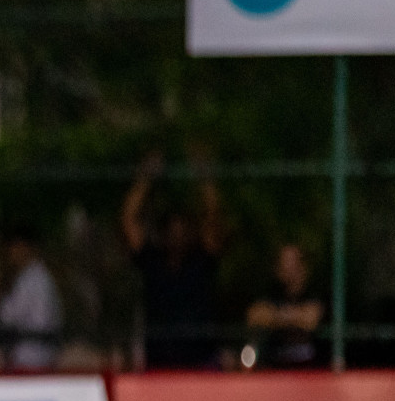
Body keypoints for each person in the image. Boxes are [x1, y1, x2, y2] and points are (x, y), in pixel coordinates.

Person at [120, 151, 225, 369]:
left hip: (201, 360)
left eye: (182, 230)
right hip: (160, 361)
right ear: (163, 234)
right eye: (172, 230)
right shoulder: (152, 261)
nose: (177, 235)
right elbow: (128, 220)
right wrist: (145, 179)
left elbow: (213, 216)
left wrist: (204, 178)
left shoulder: (201, 260)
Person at [0, 226, 63, 371]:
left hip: (30, 356)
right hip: (42, 355)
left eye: (14, 247)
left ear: (24, 247)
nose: (11, 253)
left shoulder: (31, 278)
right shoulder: (41, 275)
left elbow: (7, 316)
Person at [246, 243, 324, 369]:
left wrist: (275, 317)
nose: (287, 267)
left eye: (292, 263)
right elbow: (254, 316)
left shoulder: (314, 291)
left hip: (310, 368)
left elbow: (311, 320)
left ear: (303, 266)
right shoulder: (272, 291)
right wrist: (294, 317)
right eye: (284, 263)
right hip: (276, 365)